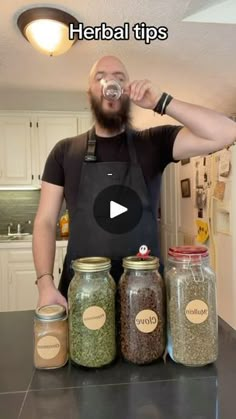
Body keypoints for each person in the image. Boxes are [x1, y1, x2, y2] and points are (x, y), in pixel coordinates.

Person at [33, 55, 236, 310]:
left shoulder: (154, 142)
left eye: (120, 78)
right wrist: (45, 283)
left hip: (145, 291)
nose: (110, 83)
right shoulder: (64, 152)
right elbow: (45, 221)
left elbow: (227, 132)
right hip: (84, 293)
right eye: (101, 78)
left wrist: (162, 101)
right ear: (90, 94)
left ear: (127, 92)